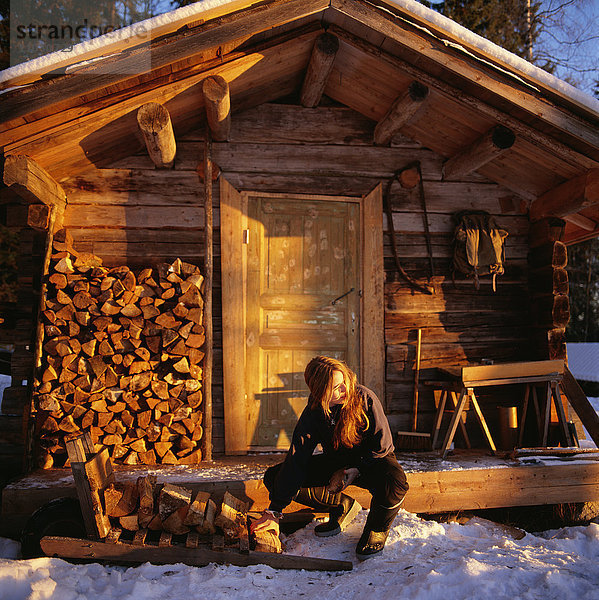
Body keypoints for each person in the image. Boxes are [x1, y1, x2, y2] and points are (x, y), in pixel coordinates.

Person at [250, 356, 408, 559]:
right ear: (319, 391)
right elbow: (298, 457)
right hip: (337, 463)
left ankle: (376, 530)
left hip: (372, 461)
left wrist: (357, 468)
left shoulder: (364, 397)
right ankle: (342, 505)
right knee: (275, 477)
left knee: (395, 482)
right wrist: (274, 511)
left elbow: (383, 445)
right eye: (335, 387)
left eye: (344, 383)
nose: (344, 390)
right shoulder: (314, 412)